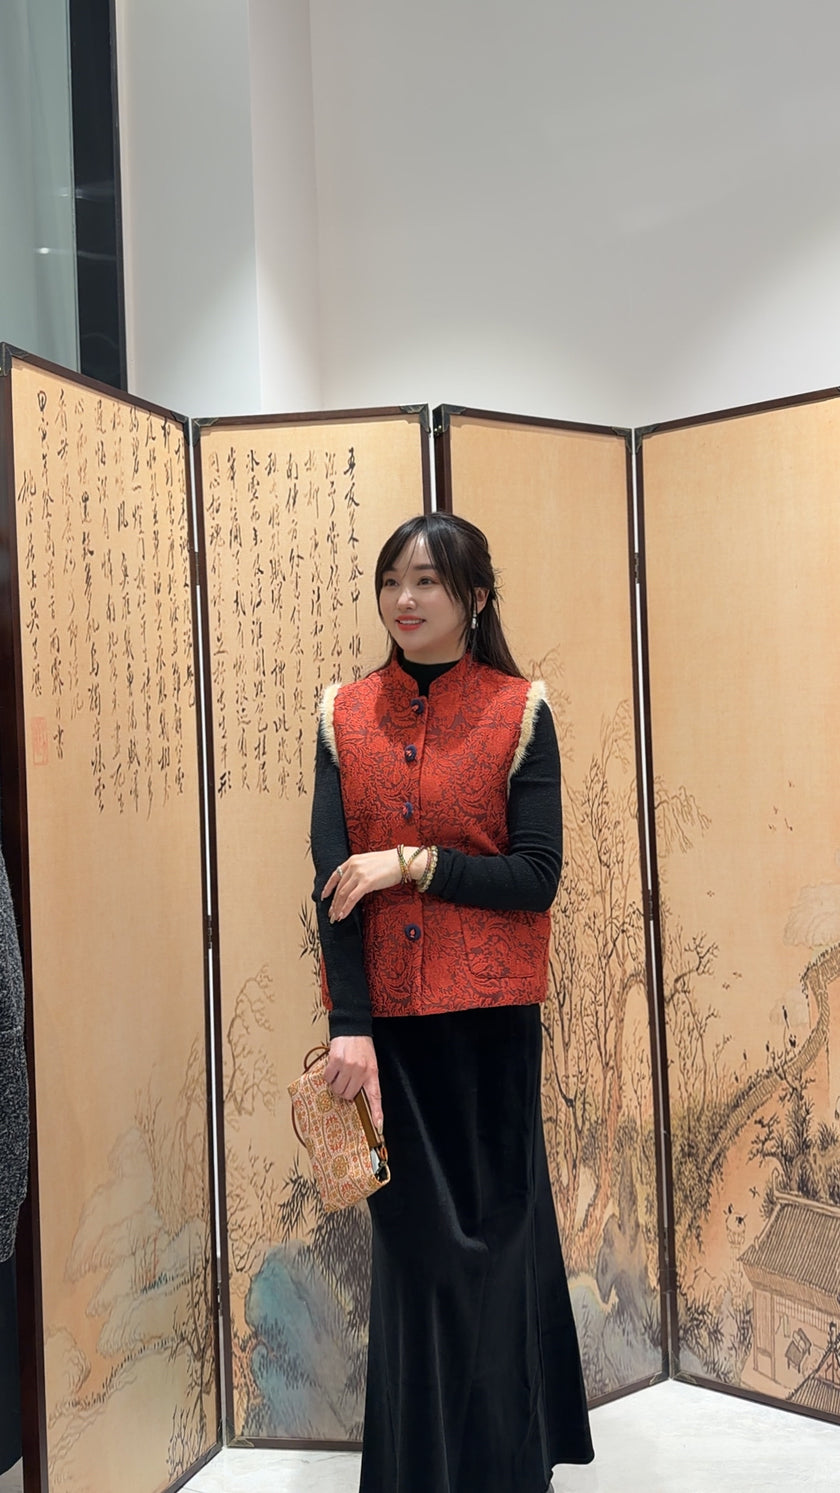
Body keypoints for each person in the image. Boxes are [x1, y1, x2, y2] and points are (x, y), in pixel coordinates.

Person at [310, 512, 593, 1493]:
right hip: (387, 1038)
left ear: (476, 598)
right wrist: (349, 1026)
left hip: (494, 1029)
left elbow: (536, 874)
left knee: (496, 1255)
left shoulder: (520, 710)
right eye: (391, 580)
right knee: (419, 1267)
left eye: (427, 581)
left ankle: (510, 1469)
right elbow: (332, 887)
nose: (405, 600)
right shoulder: (344, 714)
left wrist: (415, 862)